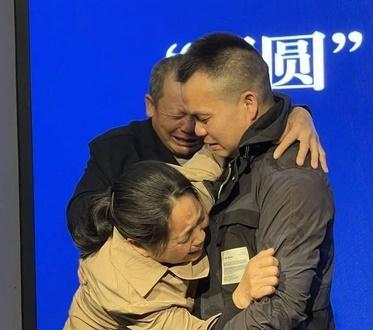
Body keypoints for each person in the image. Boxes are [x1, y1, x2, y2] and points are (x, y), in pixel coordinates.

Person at [163, 33, 342, 330]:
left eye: (204, 118)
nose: (197, 131)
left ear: (248, 104)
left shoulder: (290, 177)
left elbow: (284, 305)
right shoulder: (235, 159)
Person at [57, 150, 281, 330]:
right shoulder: (128, 293)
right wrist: (241, 297)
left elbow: (213, 155)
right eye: (186, 237)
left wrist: (289, 125)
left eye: (200, 221)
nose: (201, 237)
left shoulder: (176, 199)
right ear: (141, 246)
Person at [66, 54, 328, 240]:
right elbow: (81, 219)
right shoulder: (117, 148)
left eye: (200, 116)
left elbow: (257, 116)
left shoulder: (224, 140)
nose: (191, 128)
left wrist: (296, 112)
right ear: (151, 105)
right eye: (177, 115)